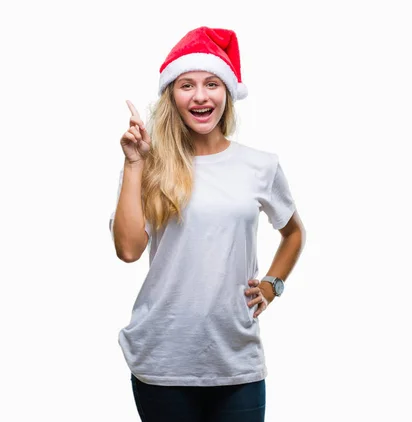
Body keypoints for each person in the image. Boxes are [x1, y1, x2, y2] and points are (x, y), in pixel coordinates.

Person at [108, 26, 306, 422]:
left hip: (236, 360)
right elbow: (129, 250)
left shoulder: (260, 165)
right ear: (172, 97)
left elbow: (294, 233)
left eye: (211, 83)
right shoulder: (149, 163)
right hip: (161, 360)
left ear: (227, 93)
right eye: (187, 85)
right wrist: (134, 164)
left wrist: (272, 285)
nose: (200, 95)